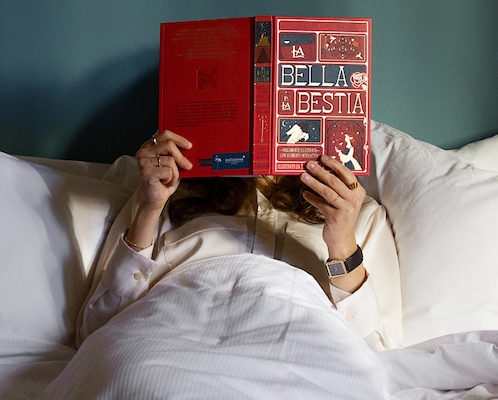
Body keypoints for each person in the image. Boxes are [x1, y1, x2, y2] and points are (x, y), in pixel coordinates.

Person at [77, 130, 402, 349]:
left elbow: (377, 351)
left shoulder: (359, 213)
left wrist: (342, 241)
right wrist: (150, 208)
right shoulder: (166, 191)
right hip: (173, 345)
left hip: (298, 355)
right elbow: (96, 330)